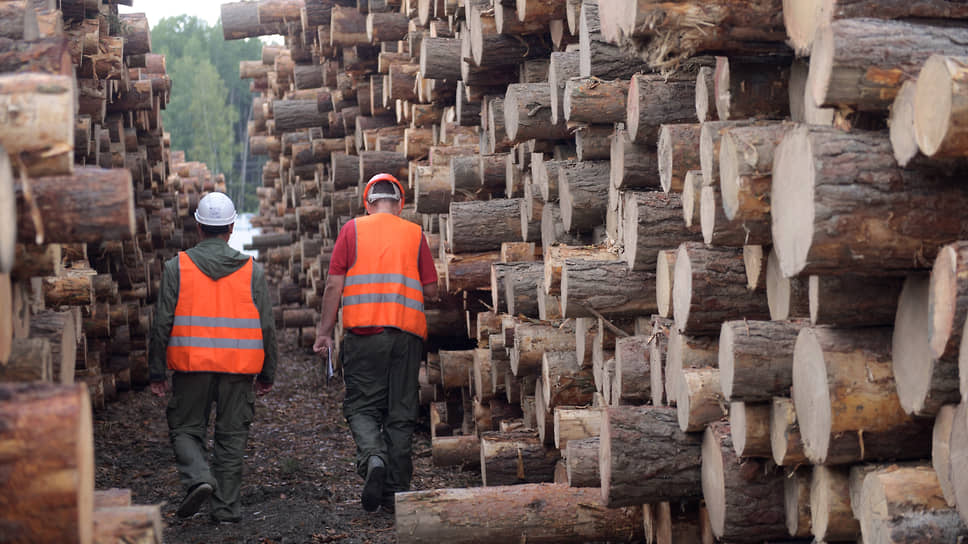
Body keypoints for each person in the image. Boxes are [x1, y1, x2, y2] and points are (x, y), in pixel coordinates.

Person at [148, 191, 277, 523]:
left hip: (192, 368)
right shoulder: (252, 271)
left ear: (198, 227)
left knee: (185, 429)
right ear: (231, 227)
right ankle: (226, 508)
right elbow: (266, 325)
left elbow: (162, 322)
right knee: (231, 438)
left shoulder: (177, 268)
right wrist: (267, 373)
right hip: (238, 371)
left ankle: (199, 478)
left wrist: (156, 371)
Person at [313, 173, 438, 514]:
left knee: (361, 408)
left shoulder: (351, 230)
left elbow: (333, 287)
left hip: (363, 337)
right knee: (400, 415)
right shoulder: (414, 234)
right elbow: (431, 290)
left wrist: (325, 333)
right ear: (401, 204)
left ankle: (373, 458)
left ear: (367, 203)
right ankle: (396, 495)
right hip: (406, 338)